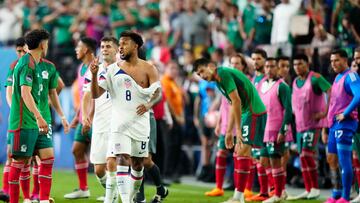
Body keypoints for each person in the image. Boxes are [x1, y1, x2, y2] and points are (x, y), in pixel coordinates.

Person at [90, 31, 160, 203]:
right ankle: (125, 201)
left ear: (135, 46)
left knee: (138, 164)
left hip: (140, 124)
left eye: (125, 43)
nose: (121, 46)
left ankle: (133, 195)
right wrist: (93, 74)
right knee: (122, 157)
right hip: (119, 124)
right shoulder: (113, 69)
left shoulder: (149, 68)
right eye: (119, 43)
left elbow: (158, 92)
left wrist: (149, 105)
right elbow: (95, 94)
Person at [193, 58, 267, 203]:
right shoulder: (219, 80)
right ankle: (238, 196)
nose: (202, 76)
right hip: (248, 113)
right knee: (239, 153)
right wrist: (229, 131)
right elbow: (233, 104)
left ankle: (241, 197)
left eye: (202, 71)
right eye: (199, 74)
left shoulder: (223, 74)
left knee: (244, 152)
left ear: (211, 66)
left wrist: (237, 130)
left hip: (253, 112)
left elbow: (237, 101)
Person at [8, 29, 57, 203]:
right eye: (47, 43)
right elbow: (25, 93)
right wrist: (39, 116)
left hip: (36, 123)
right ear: (43, 44)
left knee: (48, 157)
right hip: (24, 122)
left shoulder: (36, 63)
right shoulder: (26, 63)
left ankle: (43, 199)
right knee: (20, 163)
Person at [205, 53, 250, 197]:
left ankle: (244, 189)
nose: (235, 66)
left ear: (243, 66)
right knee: (221, 153)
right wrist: (219, 123)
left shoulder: (246, 82)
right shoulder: (225, 80)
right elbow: (224, 105)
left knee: (241, 155)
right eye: (232, 63)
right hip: (225, 124)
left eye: (238, 63)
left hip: (241, 124)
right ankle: (219, 187)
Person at [288, 54, 331, 201]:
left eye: (300, 63)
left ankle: (315, 188)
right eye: (295, 64)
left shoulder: (315, 78)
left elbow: (330, 90)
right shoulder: (295, 82)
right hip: (300, 125)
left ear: (307, 64)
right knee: (302, 157)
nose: (297, 67)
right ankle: (308, 189)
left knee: (307, 154)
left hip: (314, 125)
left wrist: (325, 112)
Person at [83, 36, 118, 202]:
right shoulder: (93, 69)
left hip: (117, 121)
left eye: (109, 46)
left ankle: (111, 198)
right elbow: (88, 95)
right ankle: (113, 191)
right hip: (100, 121)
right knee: (98, 169)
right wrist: (86, 116)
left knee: (112, 161)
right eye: (103, 46)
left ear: (117, 49)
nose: (104, 49)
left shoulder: (122, 68)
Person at [324, 49, 360, 203]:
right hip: (334, 124)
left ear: (345, 60)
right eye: (331, 61)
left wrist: (345, 113)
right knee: (331, 158)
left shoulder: (351, 75)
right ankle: (336, 193)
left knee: (344, 160)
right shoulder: (337, 77)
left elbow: (358, 95)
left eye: (336, 60)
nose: (333, 64)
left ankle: (345, 196)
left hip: (345, 123)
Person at [64, 37, 97, 199]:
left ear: (88, 50)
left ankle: (111, 191)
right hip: (83, 118)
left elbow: (97, 97)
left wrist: (89, 117)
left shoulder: (97, 67)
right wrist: (78, 116)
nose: (76, 50)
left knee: (102, 159)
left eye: (79, 47)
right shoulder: (81, 68)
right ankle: (83, 188)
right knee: (77, 150)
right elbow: (84, 96)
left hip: (97, 119)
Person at [256, 58, 292, 203]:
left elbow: (288, 111)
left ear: (278, 68)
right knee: (263, 161)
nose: (269, 69)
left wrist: (283, 131)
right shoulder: (260, 85)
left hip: (275, 130)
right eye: (267, 67)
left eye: (272, 66)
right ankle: (280, 191)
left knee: (275, 162)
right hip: (263, 130)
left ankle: (277, 194)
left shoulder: (282, 86)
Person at [0, 37, 26, 203]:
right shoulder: (13, 66)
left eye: (24, 50)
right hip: (16, 118)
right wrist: (13, 109)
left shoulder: (38, 66)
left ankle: (34, 195)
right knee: (11, 154)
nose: (21, 54)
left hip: (33, 119)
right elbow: (8, 92)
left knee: (32, 158)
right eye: (18, 51)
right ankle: (5, 190)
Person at [351, 47, 360, 203]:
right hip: (355, 123)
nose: (357, 61)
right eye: (355, 58)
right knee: (356, 157)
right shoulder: (352, 79)